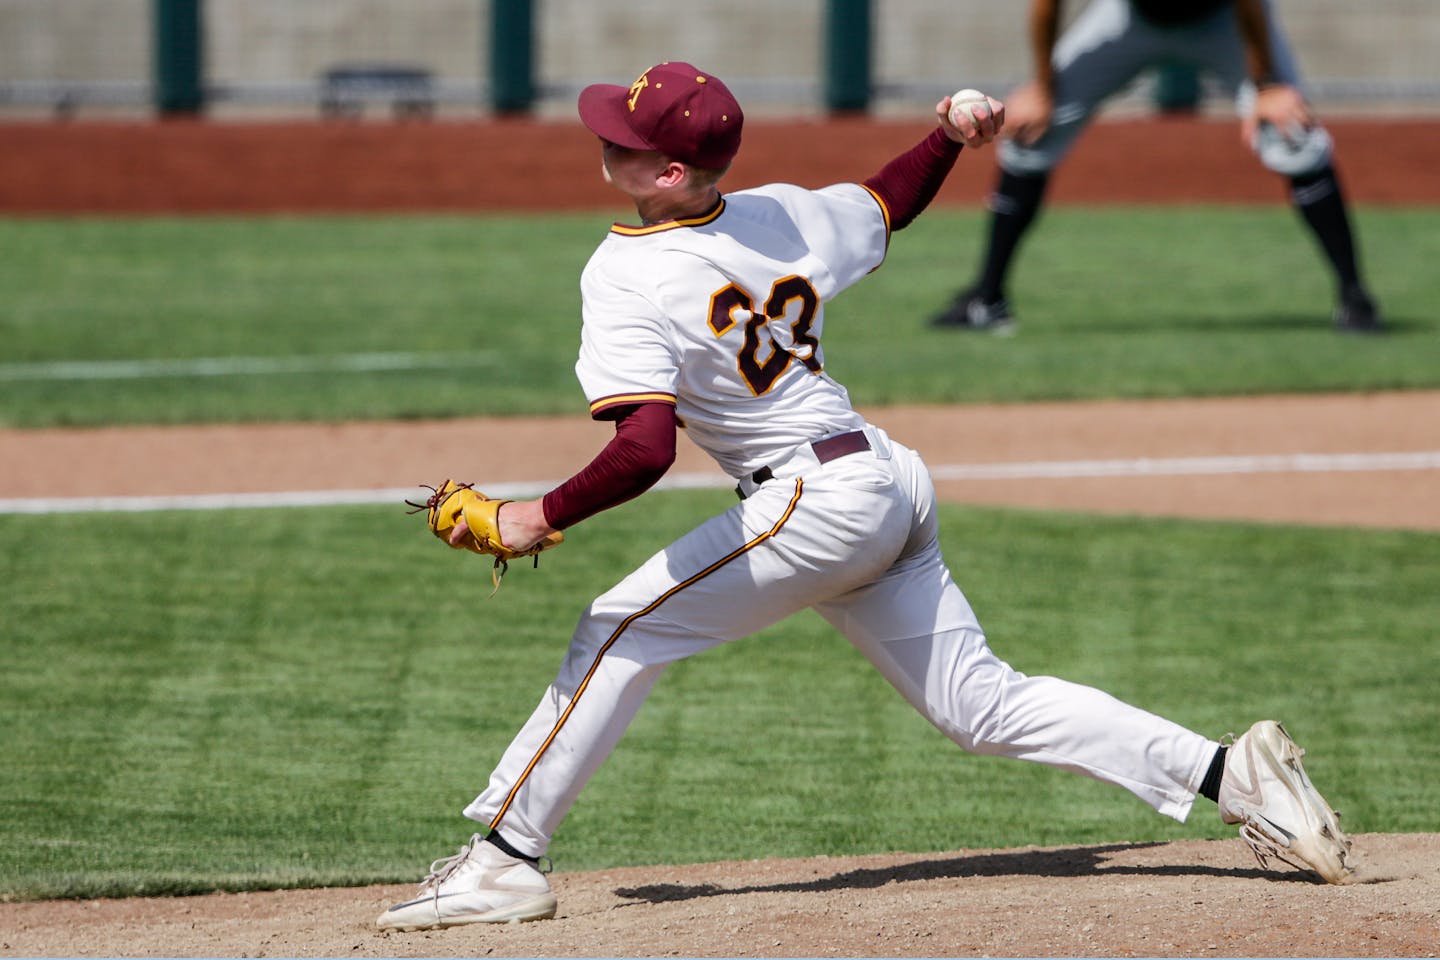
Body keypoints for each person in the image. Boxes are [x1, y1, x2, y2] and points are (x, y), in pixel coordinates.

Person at [377, 60, 1353, 932]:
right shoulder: (777, 215)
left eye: (626, 139)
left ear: (670, 174)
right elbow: (887, 204)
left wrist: (532, 516)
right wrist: (948, 141)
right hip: (883, 480)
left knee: (618, 629)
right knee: (982, 709)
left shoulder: (628, 270)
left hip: (814, 502)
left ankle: (505, 863)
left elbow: (644, 448)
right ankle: (1235, 774)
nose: (607, 139)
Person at [931, 0, 1382, 334]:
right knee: (1031, 132)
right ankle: (987, 299)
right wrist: (1044, 88)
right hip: (1129, 19)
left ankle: (1355, 298)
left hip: (1224, 20)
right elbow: (1048, 4)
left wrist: (1266, 85)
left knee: (1294, 134)